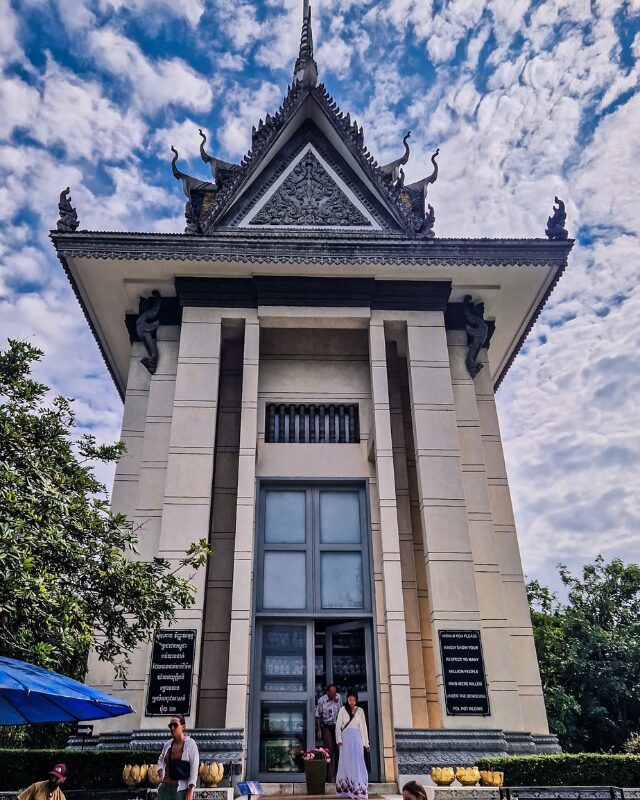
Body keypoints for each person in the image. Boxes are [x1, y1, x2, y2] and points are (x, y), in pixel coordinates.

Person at [335, 689, 369, 800]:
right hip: (345, 741)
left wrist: (366, 744)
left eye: (354, 699)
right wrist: (338, 740)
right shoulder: (342, 710)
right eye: (350, 699)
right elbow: (338, 727)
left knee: (357, 764)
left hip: (357, 740)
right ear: (347, 699)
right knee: (346, 764)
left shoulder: (360, 711)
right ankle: (347, 791)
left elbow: (363, 728)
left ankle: (358, 791)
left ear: (356, 700)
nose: (352, 701)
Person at [157, 714, 200, 800]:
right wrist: (160, 769)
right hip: (165, 787)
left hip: (179, 789)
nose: (172, 728)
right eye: (170, 726)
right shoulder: (168, 744)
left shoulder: (190, 744)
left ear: (183, 726)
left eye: (175, 725)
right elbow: (161, 759)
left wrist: (190, 790)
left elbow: (194, 768)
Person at [316, 683, 342, 782]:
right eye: (332, 693)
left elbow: (342, 711)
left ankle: (340, 775)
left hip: (337, 726)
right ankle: (331, 777)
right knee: (329, 751)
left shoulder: (338, 697)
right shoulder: (321, 700)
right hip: (327, 726)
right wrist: (319, 729)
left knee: (339, 750)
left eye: (335, 693)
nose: (334, 695)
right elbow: (318, 716)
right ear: (328, 693)